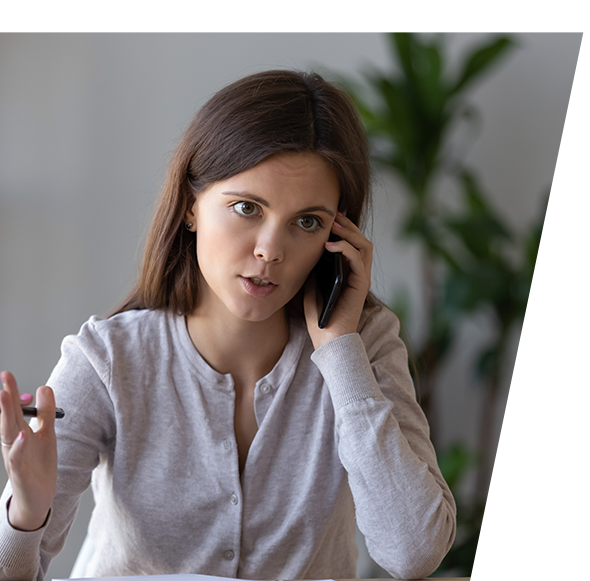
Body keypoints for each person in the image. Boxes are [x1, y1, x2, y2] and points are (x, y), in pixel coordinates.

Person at [0, 69, 456, 580]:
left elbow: (414, 553)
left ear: (337, 233)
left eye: (307, 222)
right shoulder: (107, 359)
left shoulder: (363, 345)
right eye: (246, 208)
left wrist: (341, 355)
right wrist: (26, 514)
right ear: (191, 206)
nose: (270, 250)